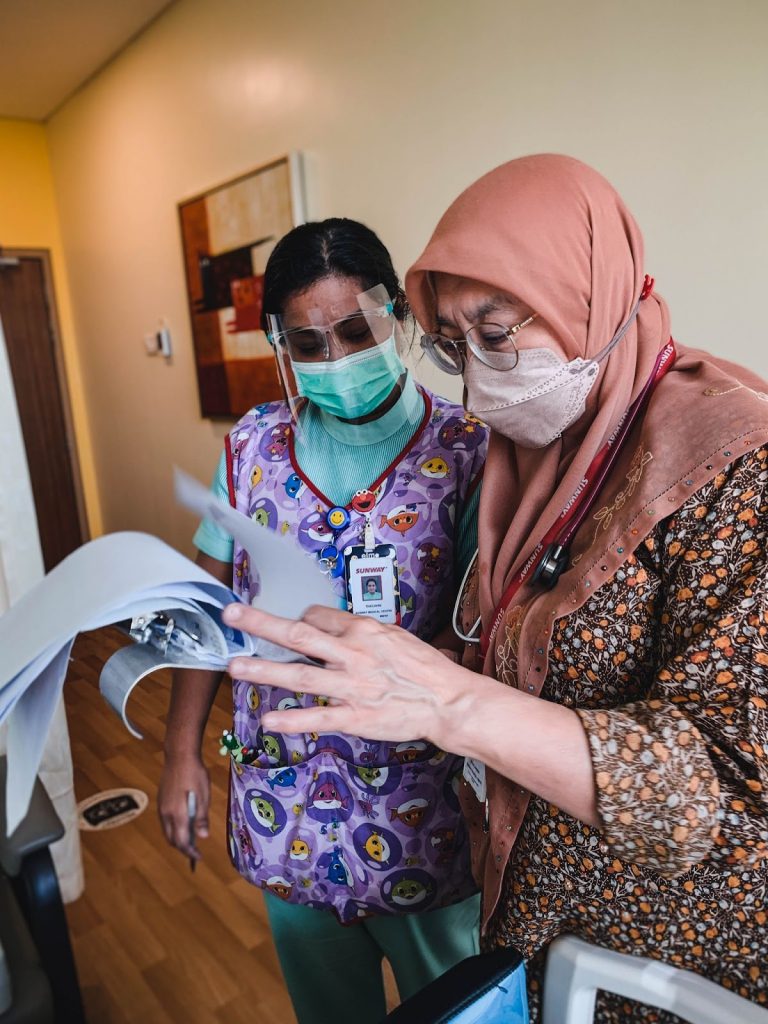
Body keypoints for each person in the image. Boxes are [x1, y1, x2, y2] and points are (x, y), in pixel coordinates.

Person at [219, 157, 768, 1022]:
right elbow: (516, 647)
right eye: (451, 344)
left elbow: (726, 792)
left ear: (590, 288)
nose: (475, 377)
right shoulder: (538, 458)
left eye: (498, 331)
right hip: (540, 920)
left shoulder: (735, 465)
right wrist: (424, 665)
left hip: (662, 964)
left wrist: (453, 705)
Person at [158, 218, 487, 1024]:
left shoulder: (471, 449)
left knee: (451, 1011)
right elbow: (211, 611)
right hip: (284, 802)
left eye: (355, 330)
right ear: (280, 345)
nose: (337, 359)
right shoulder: (251, 450)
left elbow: (487, 637)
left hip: (420, 812)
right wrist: (180, 757)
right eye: (309, 342)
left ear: (401, 320)